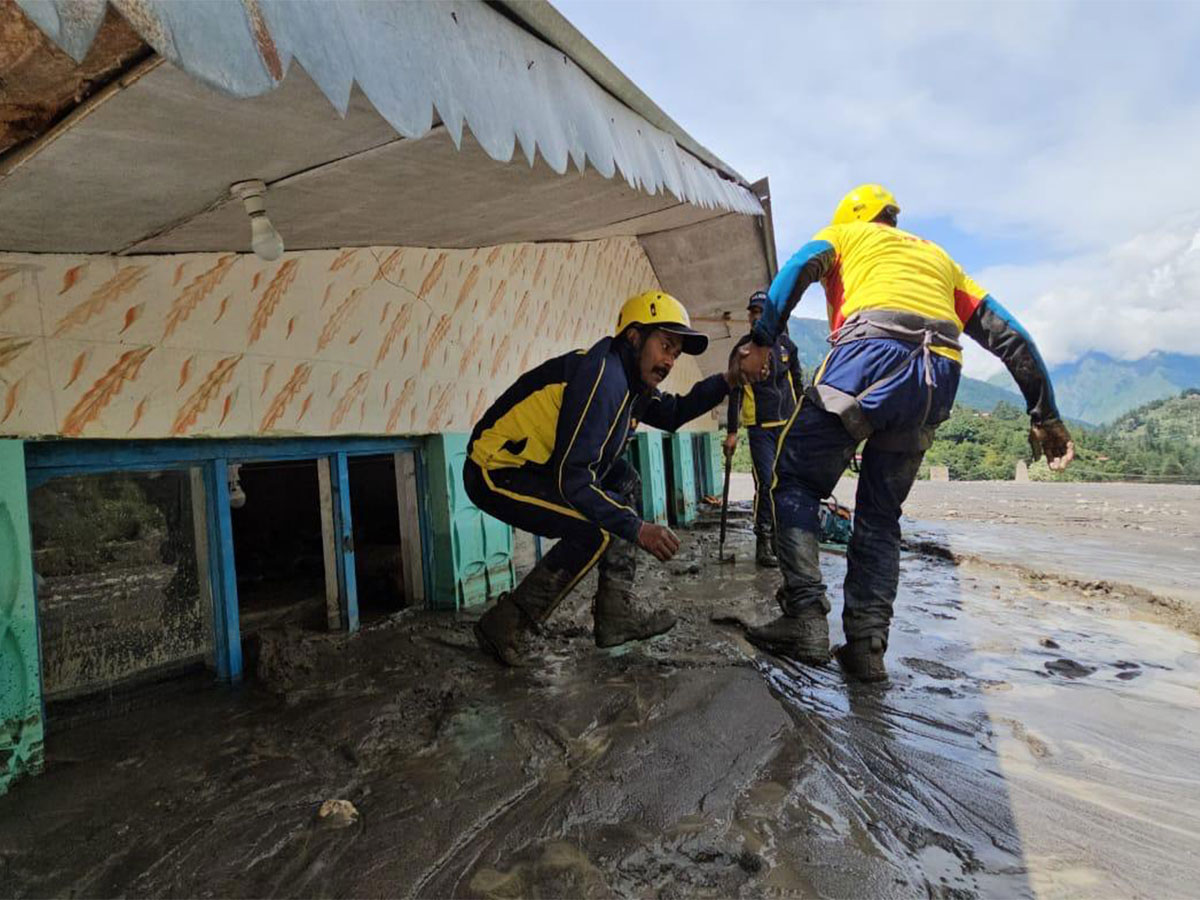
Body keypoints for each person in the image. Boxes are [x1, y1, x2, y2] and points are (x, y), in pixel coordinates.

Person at [740, 184, 1074, 682]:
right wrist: (1044, 413)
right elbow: (1009, 335)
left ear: (854, 216)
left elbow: (795, 269)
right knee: (880, 514)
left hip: (868, 355)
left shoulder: (846, 235)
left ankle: (805, 619)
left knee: (795, 480)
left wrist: (764, 336)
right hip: (937, 375)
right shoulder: (940, 259)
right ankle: (867, 647)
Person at [466, 290, 762, 666]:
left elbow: (673, 413)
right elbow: (574, 482)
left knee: (624, 479)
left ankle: (614, 612)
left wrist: (728, 378)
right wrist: (638, 528)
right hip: (493, 469)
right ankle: (507, 625)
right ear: (634, 337)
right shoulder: (604, 378)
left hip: (540, 467)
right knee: (593, 532)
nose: (670, 360)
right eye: (665, 345)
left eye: (675, 353)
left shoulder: (632, 384)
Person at [724, 290, 803, 567]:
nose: (757, 318)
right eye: (753, 314)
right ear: (749, 318)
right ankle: (763, 541)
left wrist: (802, 418)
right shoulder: (742, 350)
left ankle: (786, 541)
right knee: (767, 484)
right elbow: (733, 391)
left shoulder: (787, 346)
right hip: (759, 428)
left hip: (787, 425)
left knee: (789, 483)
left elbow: (798, 384)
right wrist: (732, 432)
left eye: (762, 313)